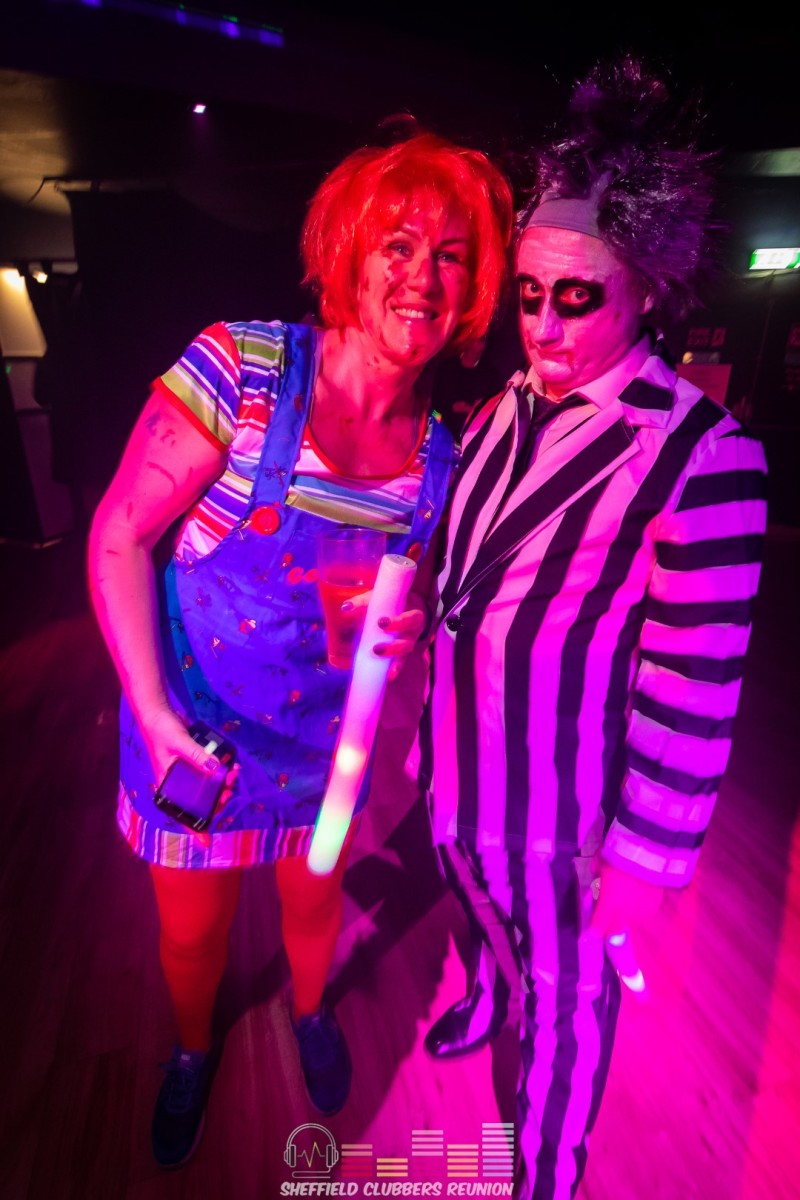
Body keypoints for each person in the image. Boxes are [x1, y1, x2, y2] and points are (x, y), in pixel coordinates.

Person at [87, 131, 512, 1169]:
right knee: (192, 932)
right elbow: (119, 536)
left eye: (451, 255)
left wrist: (405, 623)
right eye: (398, 244)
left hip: (324, 746)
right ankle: (193, 1051)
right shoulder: (240, 369)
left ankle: (311, 1011)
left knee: (313, 899)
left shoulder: (442, 454)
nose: (423, 276)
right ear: (349, 252)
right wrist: (151, 711)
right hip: (192, 733)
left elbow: (392, 605)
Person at [417, 56, 769, 1198]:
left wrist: (643, 859)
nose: (543, 326)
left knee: (568, 998)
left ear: (645, 295)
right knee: (485, 923)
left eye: (577, 299)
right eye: (529, 295)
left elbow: (693, 682)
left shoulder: (701, 454)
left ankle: (547, 1169)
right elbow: (467, 572)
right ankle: (488, 990)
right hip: (459, 772)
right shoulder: (497, 410)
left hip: (562, 809)